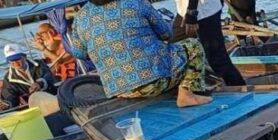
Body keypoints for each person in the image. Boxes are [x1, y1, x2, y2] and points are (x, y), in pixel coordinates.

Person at [69, 0, 212, 108]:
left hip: (118, 90)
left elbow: (79, 53)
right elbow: (167, 33)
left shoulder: (80, 17)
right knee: (193, 45)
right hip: (154, 82)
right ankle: (189, 95)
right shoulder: (136, 2)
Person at [172, 0, 246, 86]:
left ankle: (240, 88)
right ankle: (188, 88)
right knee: (175, 50)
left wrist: (191, 12)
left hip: (204, 11)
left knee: (218, 59)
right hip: (186, 10)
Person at [0, 44, 56, 111]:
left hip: (52, 98)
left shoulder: (39, 64)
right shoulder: (8, 79)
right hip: (34, 108)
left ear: (24, 56)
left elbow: (48, 76)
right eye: (12, 60)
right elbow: (10, 98)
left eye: (18, 59)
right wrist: (6, 105)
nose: (16, 63)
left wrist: (39, 83)